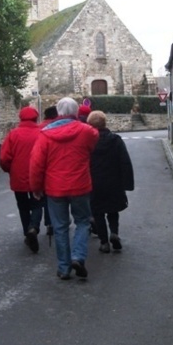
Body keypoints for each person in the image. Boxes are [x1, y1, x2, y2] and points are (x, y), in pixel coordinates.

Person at [30, 97, 98, 280]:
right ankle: (78, 256)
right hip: (80, 185)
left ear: (59, 112)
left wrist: (36, 187)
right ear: (76, 112)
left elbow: (36, 164)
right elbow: (93, 142)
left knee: (60, 227)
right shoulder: (87, 131)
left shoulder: (45, 134)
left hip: (55, 187)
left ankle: (64, 267)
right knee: (83, 222)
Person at [86, 110, 134, 252]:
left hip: (94, 182)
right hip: (114, 181)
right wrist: (127, 183)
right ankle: (114, 233)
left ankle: (104, 242)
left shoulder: (89, 143)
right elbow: (125, 161)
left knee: (98, 212)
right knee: (113, 211)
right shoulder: (115, 140)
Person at [0, 106, 43, 252]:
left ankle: (27, 231)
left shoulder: (14, 134)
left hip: (18, 175)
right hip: (37, 174)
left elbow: (4, 157)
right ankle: (34, 227)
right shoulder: (41, 133)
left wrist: (9, 169)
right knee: (37, 203)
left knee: (23, 206)